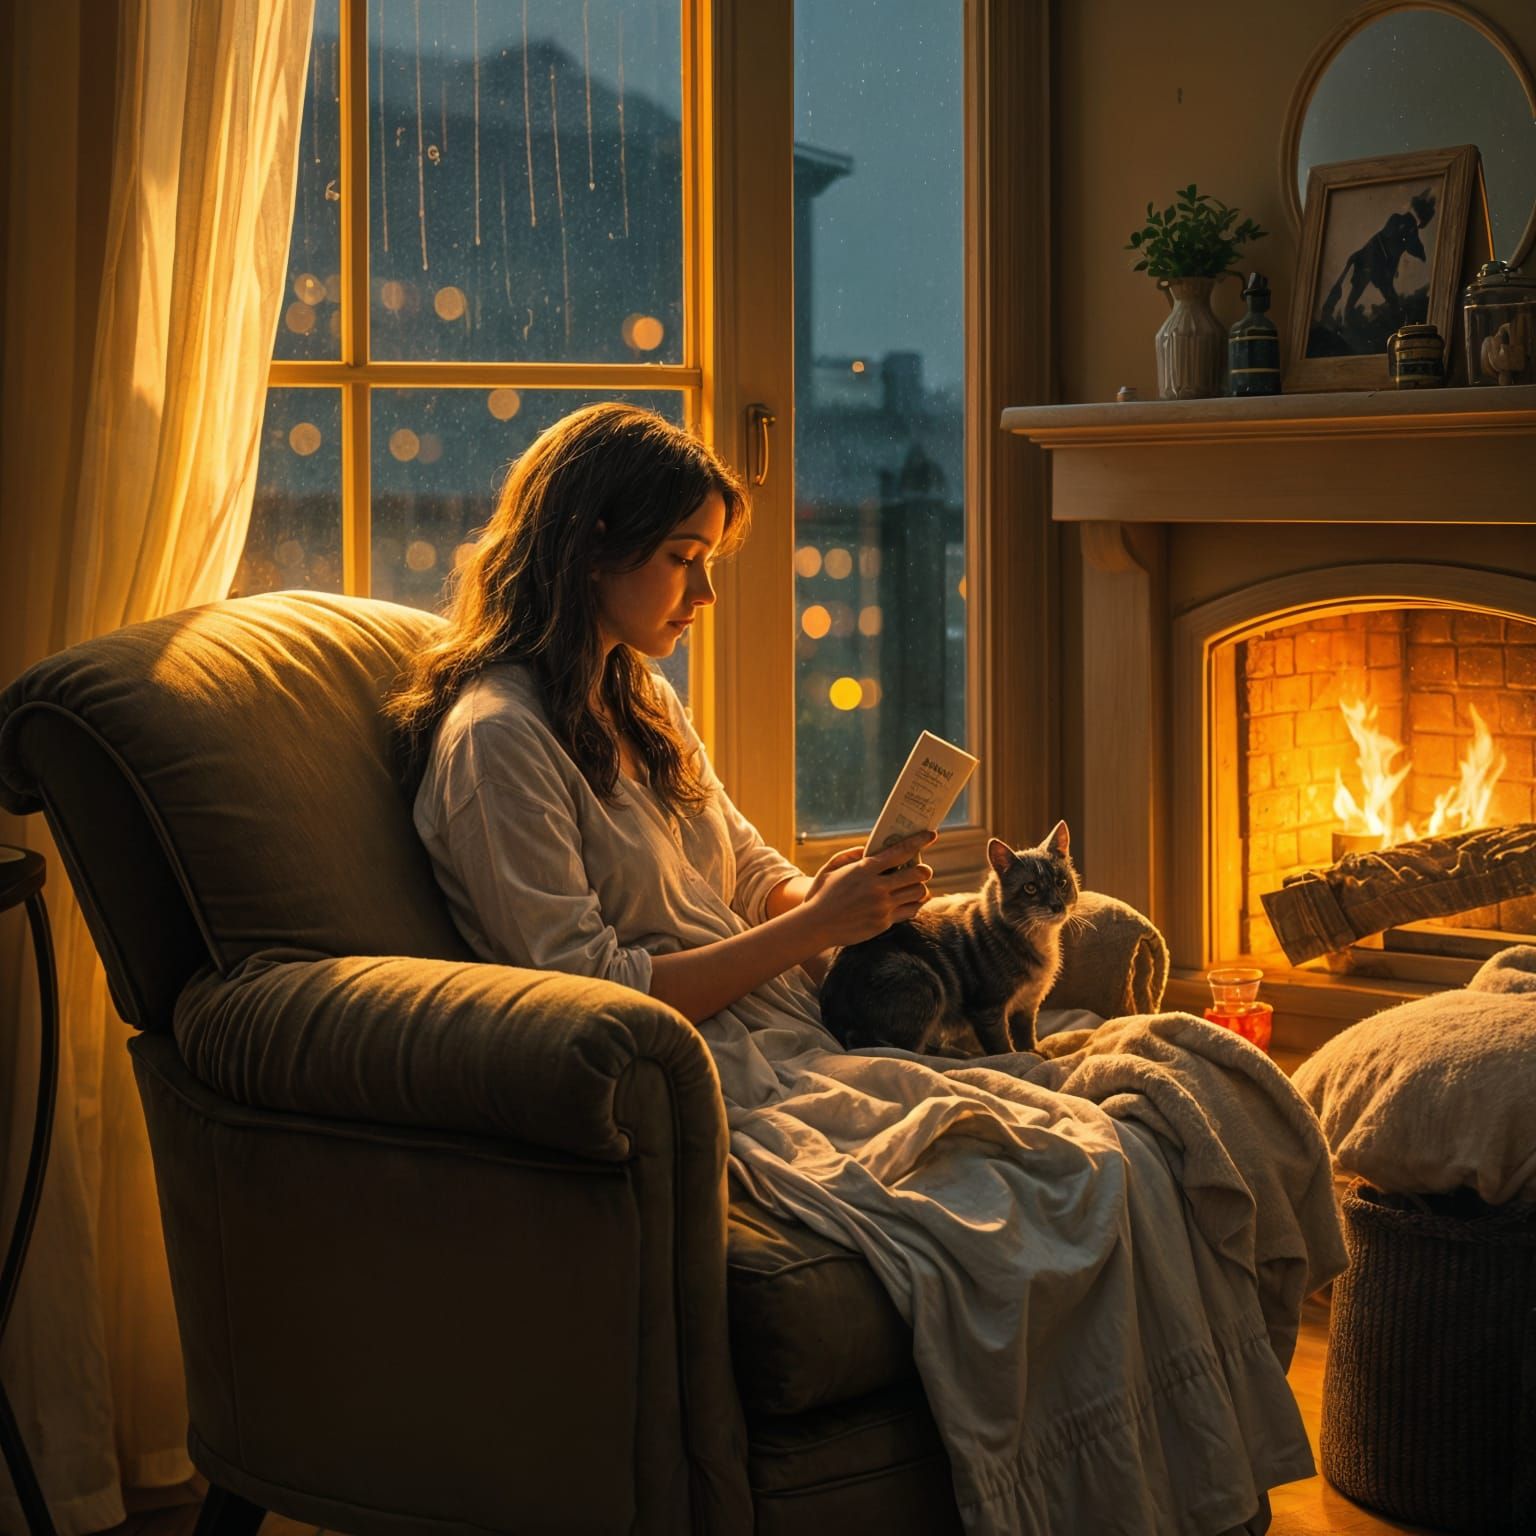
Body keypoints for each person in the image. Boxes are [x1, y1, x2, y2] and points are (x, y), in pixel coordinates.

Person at [388, 402, 1345, 1536]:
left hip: (790, 1012)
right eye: (683, 561)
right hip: (700, 1071)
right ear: (593, 542)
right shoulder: (497, 743)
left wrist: (843, 901)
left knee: (1135, 1144)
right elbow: (595, 991)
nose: (702, 596)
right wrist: (807, 935)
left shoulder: (634, 699)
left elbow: (747, 870)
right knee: (1057, 1177)